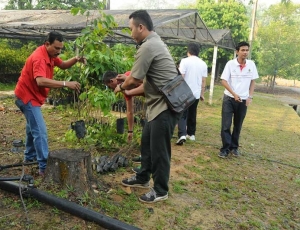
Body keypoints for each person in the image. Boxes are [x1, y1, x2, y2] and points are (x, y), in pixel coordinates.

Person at [114, 10, 181, 203]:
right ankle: (143, 177)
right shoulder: (155, 42)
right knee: (147, 143)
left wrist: (120, 86)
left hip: (166, 106)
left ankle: (160, 190)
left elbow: (135, 79)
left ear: (141, 27)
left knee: (159, 150)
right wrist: (128, 79)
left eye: (131, 29)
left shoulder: (148, 46)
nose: (131, 33)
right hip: (158, 105)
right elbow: (147, 78)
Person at [14, 31, 86, 175]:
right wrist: (66, 83)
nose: (59, 52)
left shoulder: (50, 54)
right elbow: (40, 81)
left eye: (61, 49)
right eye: (56, 48)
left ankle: (29, 157)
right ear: (47, 44)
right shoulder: (39, 58)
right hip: (27, 98)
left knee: (31, 128)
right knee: (40, 131)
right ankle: (44, 167)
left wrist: (76, 59)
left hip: (29, 96)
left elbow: (64, 65)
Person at [218, 41, 259, 158]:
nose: (245, 52)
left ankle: (234, 147)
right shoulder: (230, 64)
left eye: (247, 50)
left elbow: (253, 81)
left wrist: (250, 97)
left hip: (243, 100)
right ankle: (225, 149)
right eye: (243, 50)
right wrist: (234, 94)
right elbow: (224, 81)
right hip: (229, 99)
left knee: (238, 124)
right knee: (226, 125)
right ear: (237, 51)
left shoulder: (251, 64)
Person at [176, 43, 207, 145]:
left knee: (182, 113)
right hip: (196, 93)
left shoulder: (184, 61)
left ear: (188, 51)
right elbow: (203, 81)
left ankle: (182, 134)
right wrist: (202, 93)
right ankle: (191, 134)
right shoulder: (203, 63)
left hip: (184, 93)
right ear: (198, 52)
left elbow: (181, 77)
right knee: (193, 113)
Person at [103, 71, 144, 143]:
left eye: (109, 86)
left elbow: (149, 83)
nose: (112, 89)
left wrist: (126, 87)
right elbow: (129, 111)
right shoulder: (124, 89)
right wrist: (130, 131)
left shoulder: (129, 75)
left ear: (111, 81)